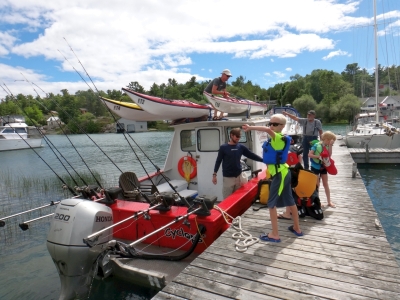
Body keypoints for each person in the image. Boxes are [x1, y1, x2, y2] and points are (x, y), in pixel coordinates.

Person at [243, 114, 303, 242]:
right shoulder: (281, 138)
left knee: (271, 204)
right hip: (284, 172)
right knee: (290, 200)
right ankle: (297, 228)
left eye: (275, 124)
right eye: (270, 123)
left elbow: (268, 131)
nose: (271, 126)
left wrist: (250, 127)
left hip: (280, 174)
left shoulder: (276, 138)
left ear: (282, 126)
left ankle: (275, 234)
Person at [212, 128, 263, 199]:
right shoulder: (223, 147)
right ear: (231, 135)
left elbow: (251, 155)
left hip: (239, 177)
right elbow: (218, 161)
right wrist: (214, 174)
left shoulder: (240, 147)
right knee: (227, 199)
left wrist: (264, 160)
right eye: (237, 137)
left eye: (239, 137)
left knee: (238, 198)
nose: (238, 139)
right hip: (228, 178)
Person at [308, 131, 337, 208]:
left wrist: (330, 145)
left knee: (325, 184)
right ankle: (317, 202)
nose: (331, 142)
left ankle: (329, 201)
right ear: (327, 139)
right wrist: (318, 157)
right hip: (315, 166)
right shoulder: (316, 145)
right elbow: (309, 155)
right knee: (317, 184)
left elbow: (329, 155)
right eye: (331, 141)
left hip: (324, 166)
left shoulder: (328, 146)